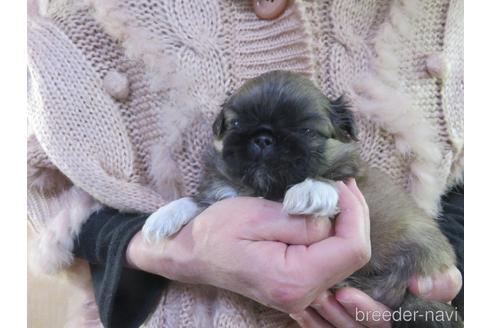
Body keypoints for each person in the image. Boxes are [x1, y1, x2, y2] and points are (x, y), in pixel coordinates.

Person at [27, 0, 463, 327]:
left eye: (304, 132)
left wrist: (446, 291)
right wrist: (165, 248)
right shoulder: (61, 19)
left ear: (344, 132)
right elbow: (39, 183)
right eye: (241, 129)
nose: (264, 145)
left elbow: (468, 178)